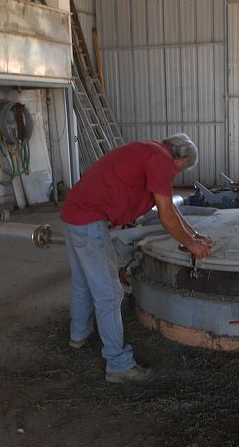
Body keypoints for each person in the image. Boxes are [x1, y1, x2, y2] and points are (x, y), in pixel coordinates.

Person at [60, 133, 213, 383]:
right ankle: (118, 364)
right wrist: (191, 245)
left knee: (83, 283)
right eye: (181, 168)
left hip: (74, 213)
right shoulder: (163, 161)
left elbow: (171, 208)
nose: (177, 173)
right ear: (181, 158)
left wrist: (194, 235)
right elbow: (165, 215)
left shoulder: (150, 150)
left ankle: (78, 337)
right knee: (110, 293)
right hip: (89, 220)